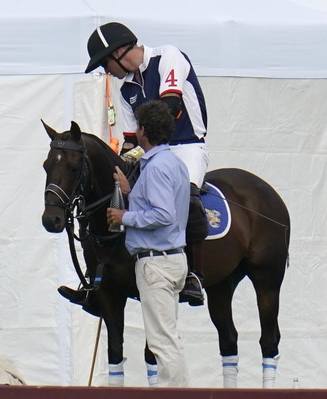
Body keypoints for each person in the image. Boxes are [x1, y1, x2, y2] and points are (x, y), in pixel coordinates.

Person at [59, 22, 208, 307]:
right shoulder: (122, 86)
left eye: (105, 64)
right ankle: (99, 277)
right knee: (110, 190)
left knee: (186, 196)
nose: (106, 72)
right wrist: (121, 165)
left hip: (187, 146)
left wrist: (141, 152)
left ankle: (195, 276)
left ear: (118, 52)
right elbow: (130, 140)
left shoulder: (169, 57)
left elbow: (171, 109)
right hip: (149, 152)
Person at [107, 100, 190, 386]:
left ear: (143, 130)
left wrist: (124, 216)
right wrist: (132, 192)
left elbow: (163, 214)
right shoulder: (174, 164)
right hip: (174, 258)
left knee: (162, 343)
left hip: (156, 262)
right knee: (168, 338)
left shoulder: (154, 168)